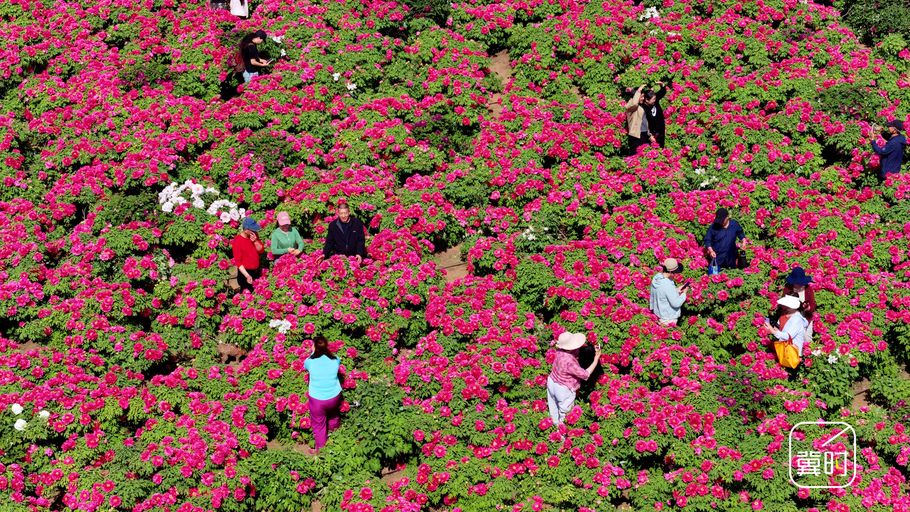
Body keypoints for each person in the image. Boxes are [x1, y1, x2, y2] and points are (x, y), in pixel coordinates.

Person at [547, 332, 601, 426]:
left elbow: (576, 350)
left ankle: (554, 427)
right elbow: (585, 374)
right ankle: (562, 436)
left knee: (553, 409)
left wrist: (592, 348)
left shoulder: (560, 350)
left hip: (551, 382)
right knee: (565, 414)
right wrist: (596, 359)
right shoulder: (569, 362)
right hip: (563, 390)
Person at [304, 335, 342, 453]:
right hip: (334, 396)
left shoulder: (310, 361)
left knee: (319, 425)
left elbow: (307, 366)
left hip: (318, 400)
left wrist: (313, 352)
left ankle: (321, 451)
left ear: (314, 346)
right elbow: (337, 362)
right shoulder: (335, 359)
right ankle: (335, 434)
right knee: (333, 414)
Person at [649, 258, 688, 326]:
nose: (676, 274)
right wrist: (684, 293)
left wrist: (676, 290)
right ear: (670, 272)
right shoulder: (667, 284)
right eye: (675, 272)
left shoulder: (657, 278)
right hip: (668, 318)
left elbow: (662, 293)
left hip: (659, 315)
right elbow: (676, 303)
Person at [232, 217, 265, 293]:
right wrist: (247, 276)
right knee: (247, 295)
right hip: (245, 273)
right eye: (252, 229)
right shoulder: (237, 241)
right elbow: (238, 262)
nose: (254, 231)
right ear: (246, 229)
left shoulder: (254, 235)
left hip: (256, 270)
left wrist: (255, 241)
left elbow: (261, 250)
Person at [782, 266, 816, 340]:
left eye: (800, 283)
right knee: (793, 339)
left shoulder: (808, 288)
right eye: (796, 283)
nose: (798, 285)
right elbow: (783, 305)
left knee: (807, 338)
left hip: (806, 317)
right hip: (791, 318)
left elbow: (813, 303)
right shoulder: (788, 288)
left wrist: (808, 308)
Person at [643, 81, 670, 148]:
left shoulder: (655, 100)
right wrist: (649, 135)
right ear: (646, 100)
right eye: (653, 99)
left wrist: (662, 85)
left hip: (661, 130)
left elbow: (662, 92)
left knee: (661, 147)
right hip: (652, 134)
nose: (655, 100)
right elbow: (644, 124)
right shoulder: (643, 108)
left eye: (655, 98)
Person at [624, 85, 650, 155]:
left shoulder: (641, 105)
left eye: (643, 96)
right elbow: (634, 104)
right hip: (636, 135)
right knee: (635, 155)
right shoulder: (630, 106)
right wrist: (639, 91)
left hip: (644, 133)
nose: (643, 98)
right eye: (641, 97)